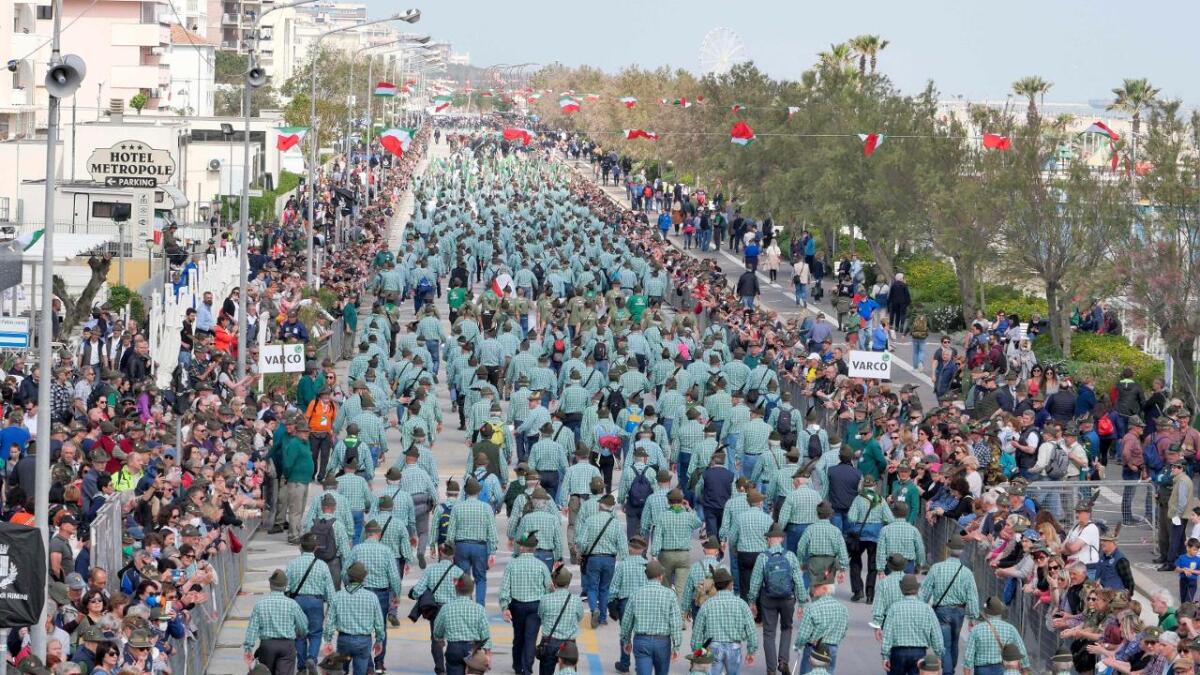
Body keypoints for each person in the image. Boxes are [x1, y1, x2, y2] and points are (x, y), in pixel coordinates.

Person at [748, 523, 808, 674]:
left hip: (768, 598)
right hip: (788, 598)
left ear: (769, 539)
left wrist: (752, 601)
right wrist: (801, 602)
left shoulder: (762, 557)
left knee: (769, 633)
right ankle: (783, 661)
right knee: (787, 628)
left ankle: (771, 669)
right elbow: (798, 581)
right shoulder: (790, 556)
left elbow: (755, 582)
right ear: (781, 539)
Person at [917, 532, 980, 675]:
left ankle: (947, 671)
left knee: (944, 643)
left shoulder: (936, 568)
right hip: (959, 611)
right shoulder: (967, 572)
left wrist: (921, 608)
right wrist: (973, 616)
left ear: (948, 548)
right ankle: (950, 669)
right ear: (962, 550)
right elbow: (972, 596)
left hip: (941, 610)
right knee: (954, 642)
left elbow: (925, 590)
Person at [500, 531, 552, 675]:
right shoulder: (541, 566)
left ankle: (517, 666)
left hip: (517, 606)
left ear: (522, 547)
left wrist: (505, 606)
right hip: (535, 606)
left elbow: (505, 588)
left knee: (518, 637)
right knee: (531, 638)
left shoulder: (512, 565)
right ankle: (527, 669)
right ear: (534, 548)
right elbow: (548, 588)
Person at [620, 560, 684, 675]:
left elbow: (627, 621)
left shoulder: (636, 593)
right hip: (662, 642)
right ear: (661, 576)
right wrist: (676, 646)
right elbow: (675, 623)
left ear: (646, 575)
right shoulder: (670, 594)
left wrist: (626, 640)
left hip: (641, 641)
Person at [691, 567, 759, 674]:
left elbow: (697, 632)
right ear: (730, 584)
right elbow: (751, 630)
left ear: (715, 586)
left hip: (713, 647)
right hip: (734, 647)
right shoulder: (741, 604)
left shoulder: (707, 605)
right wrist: (751, 651)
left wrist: (697, 650)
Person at [321, 562, 385, 675]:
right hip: (363, 641)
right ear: (363, 578)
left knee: (341, 670)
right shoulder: (372, 597)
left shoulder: (339, 595)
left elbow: (330, 621)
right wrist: (379, 640)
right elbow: (379, 623)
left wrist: (328, 640)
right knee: (360, 671)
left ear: (349, 577)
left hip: (344, 640)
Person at [286, 532, 336, 674]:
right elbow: (330, 590)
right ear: (315, 548)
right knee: (315, 633)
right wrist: (331, 608)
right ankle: (312, 658)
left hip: (297, 601)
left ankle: (301, 667)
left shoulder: (292, 564)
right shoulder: (322, 566)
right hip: (316, 601)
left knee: (299, 635)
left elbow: (286, 587)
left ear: (300, 547)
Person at [243, 569, 307, 674]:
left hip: (267, 645)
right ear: (285, 586)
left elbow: (252, 629)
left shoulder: (260, 604)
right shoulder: (292, 604)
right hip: (287, 645)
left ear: (270, 585)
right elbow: (303, 626)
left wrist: (248, 648)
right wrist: (299, 634)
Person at [881, 574, 944, 675]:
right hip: (919, 653)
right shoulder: (927, 609)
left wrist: (885, 656)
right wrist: (938, 655)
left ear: (902, 589)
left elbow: (888, 634)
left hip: (898, 652)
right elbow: (936, 635)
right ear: (917, 589)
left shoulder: (894, 608)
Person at [432, 575, 492, 675]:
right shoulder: (479, 609)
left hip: (454, 647)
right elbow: (485, 634)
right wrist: (487, 652)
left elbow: (437, 630)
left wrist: (440, 639)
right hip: (474, 649)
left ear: (456, 589)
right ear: (472, 590)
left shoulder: (446, 608)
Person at [960, 596, 1029, 675]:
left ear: (986, 612)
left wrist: (967, 671)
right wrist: (1025, 669)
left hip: (982, 670)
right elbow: (1022, 650)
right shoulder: (1010, 629)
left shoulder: (976, 630)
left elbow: (968, 656)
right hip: (1002, 669)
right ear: (1000, 612)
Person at [536, 566, 583, 675]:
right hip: (569, 643)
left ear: (554, 582)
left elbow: (540, 616)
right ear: (568, 582)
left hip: (549, 642)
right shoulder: (575, 600)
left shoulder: (545, 599)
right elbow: (580, 617)